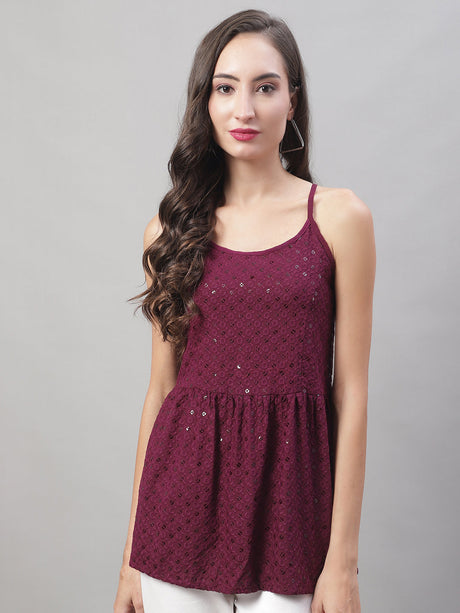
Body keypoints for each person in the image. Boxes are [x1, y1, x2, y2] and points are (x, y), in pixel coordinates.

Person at [113, 8, 375, 613]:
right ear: (205, 103)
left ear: (292, 100)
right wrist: (129, 559)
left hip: (293, 516)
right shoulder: (170, 231)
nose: (245, 109)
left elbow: (351, 393)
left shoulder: (339, 218)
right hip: (177, 515)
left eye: (265, 87)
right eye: (226, 88)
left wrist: (342, 562)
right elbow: (161, 392)